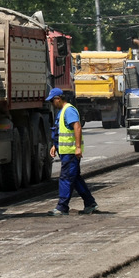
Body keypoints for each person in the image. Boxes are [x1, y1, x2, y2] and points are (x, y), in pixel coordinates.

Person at [46, 88, 98, 216]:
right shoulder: (62, 111)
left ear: (58, 99)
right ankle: (90, 203)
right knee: (75, 179)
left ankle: (62, 207)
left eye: (52, 101)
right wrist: (55, 145)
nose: (52, 104)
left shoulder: (69, 110)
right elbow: (60, 130)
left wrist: (78, 147)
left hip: (70, 152)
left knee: (66, 178)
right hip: (66, 152)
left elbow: (77, 127)